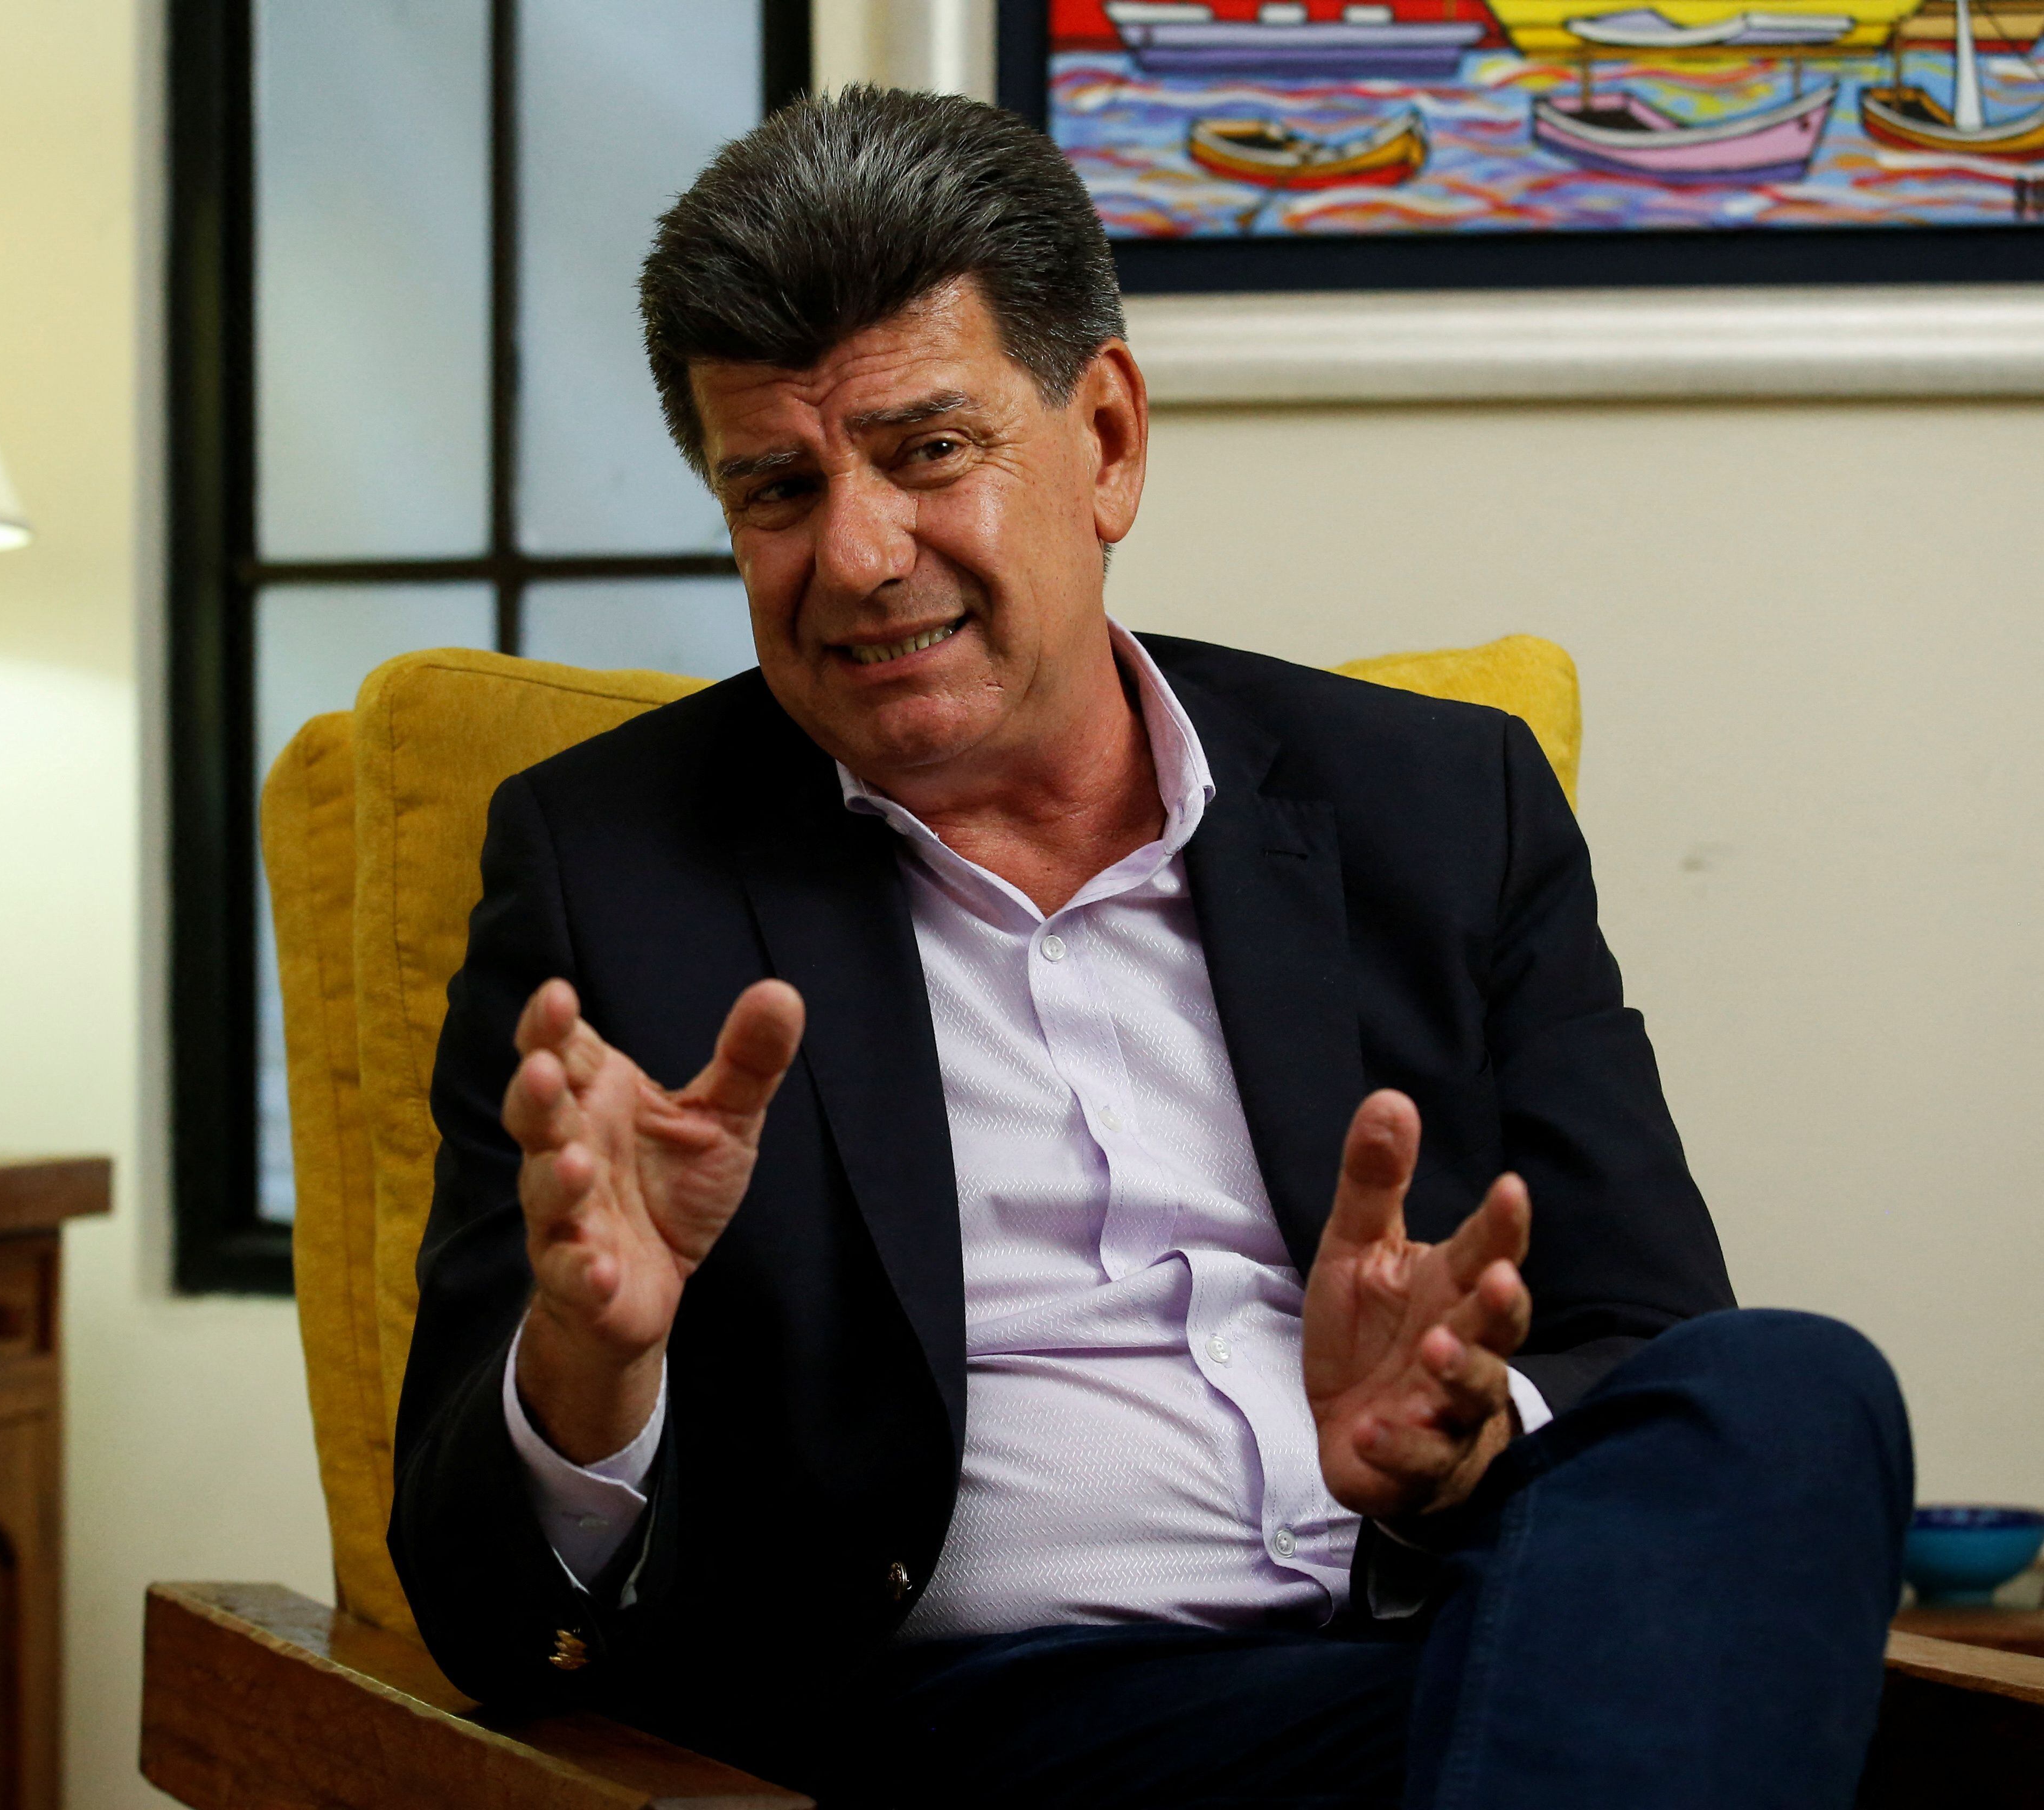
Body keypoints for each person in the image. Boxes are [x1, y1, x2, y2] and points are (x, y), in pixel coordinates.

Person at [390, 85, 1910, 1808]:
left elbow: (1646, 1353)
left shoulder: (1438, 804)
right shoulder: (609, 873)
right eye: (780, 488)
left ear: (1106, 439)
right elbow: (476, 1607)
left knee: (1791, 1389)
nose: (858, 557)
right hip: (995, 1727)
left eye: (927, 451)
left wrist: (1461, 1440)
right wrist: (595, 1365)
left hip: (1454, 1655)